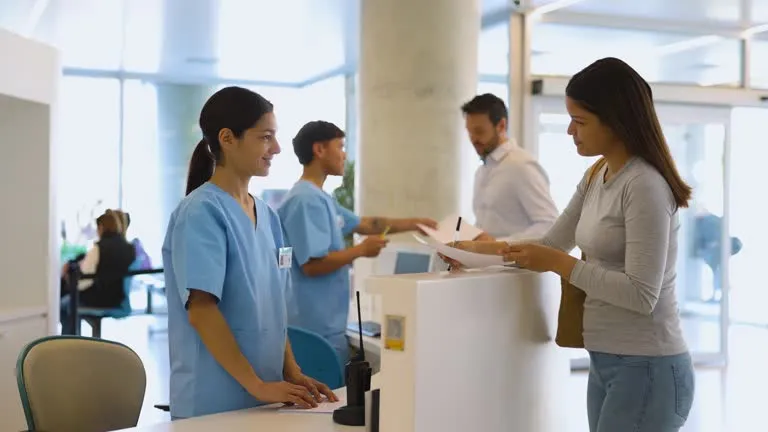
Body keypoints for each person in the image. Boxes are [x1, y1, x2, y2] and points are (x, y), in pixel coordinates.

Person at [449, 58, 695, 432]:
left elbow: (642, 293)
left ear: (615, 120)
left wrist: (559, 263)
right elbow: (550, 242)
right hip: (606, 359)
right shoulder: (597, 174)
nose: (569, 130)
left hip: (647, 366)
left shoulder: (644, 184)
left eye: (579, 121)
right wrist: (471, 252)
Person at [162, 87, 337, 420]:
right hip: (214, 401)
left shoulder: (268, 216)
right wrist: (258, 385)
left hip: (264, 396)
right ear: (228, 138)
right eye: (265, 137)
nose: (277, 148)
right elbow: (202, 311)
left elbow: (273, 309)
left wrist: (291, 370)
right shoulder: (201, 212)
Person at [277, 120, 438, 363]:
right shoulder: (305, 201)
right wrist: (361, 250)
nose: (344, 155)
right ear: (319, 150)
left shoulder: (321, 199)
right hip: (315, 327)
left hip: (326, 323)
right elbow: (312, 265)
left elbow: (366, 224)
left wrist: (415, 223)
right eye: (340, 147)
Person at [461, 93, 558, 241]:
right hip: (486, 260)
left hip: (512, 262)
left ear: (501, 126)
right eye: (470, 132)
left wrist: (499, 245)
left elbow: (549, 225)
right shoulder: (482, 170)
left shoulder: (521, 166)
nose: (473, 139)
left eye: (479, 131)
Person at [59, 209, 136, 334]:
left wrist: (69, 281)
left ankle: (69, 342)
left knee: (64, 304)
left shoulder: (99, 248)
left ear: (101, 227)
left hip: (99, 298)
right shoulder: (130, 248)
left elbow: (84, 282)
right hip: (118, 298)